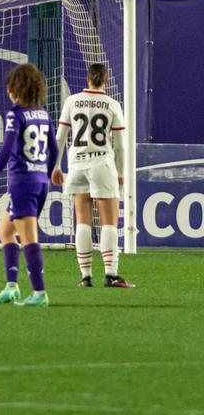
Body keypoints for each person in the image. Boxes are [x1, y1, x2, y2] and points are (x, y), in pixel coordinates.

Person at [0, 64, 58, 307]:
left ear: (16, 88)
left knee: (28, 238)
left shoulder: (16, 114)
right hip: (39, 181)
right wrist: (46, 174)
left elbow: (7, 147)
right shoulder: (43, 114)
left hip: (23, 182)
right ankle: (12, 286)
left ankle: (39, 293)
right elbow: (54, 149)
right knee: (6, 231)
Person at [51, 63, 133, 289]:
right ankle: (111, 274)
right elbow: (121, 146)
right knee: (109, 221)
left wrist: (55, 166)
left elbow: (59, 137)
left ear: (87, 79)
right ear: (105, 81)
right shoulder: (112, 104)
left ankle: (85, 276)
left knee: (82, 221)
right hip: (102, 164)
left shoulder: (72, 101)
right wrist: (120, 172)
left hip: (76, 165)